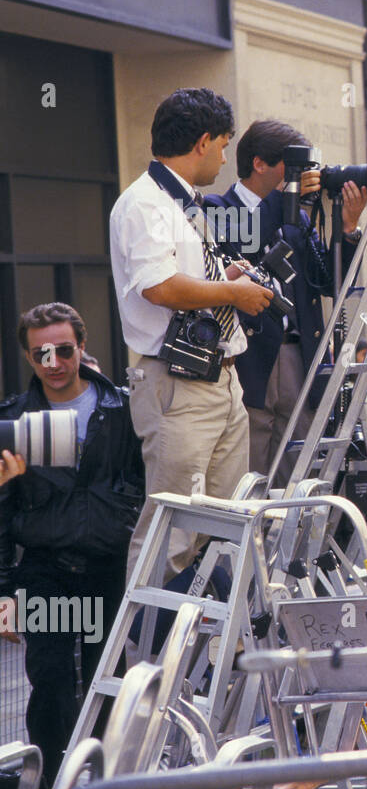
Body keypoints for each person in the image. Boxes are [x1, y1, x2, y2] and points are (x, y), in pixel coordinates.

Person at [109, 87, 274, 574]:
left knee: (226, 526)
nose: (226, 157)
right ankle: (145, 649)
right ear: (203, 142)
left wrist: (227, 281)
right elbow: (158, 288)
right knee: (170, 530)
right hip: (175, 382)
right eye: (224, 145)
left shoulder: (184, 200)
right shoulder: (144, 203)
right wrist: (233, 294)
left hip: (220, 376)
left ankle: (219, 648)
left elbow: (181, 279)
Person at [0, 303, 145, 787]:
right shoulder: (14, 421)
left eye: (64, 350)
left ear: (82, 348)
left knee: (109, 686)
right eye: (41, 353)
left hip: (110, 568)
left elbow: (149, 483)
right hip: (46, 570)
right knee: (53, 685)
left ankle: (105, 786)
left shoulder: (124, 409)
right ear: (28, 356)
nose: (53, 362)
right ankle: (52, 786)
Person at [204, 120, 367, 486]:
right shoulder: (217, 208)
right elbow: (243, 245)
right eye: (294, 168)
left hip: (299, 353)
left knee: (297, 470)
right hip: (250, 356)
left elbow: (330, 283)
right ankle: (249, 544)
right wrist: (285, 200)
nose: (304, 178)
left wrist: (348, 229)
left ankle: (289, 543)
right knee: (249, 469)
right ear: (260, 163)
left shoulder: (297, 220)